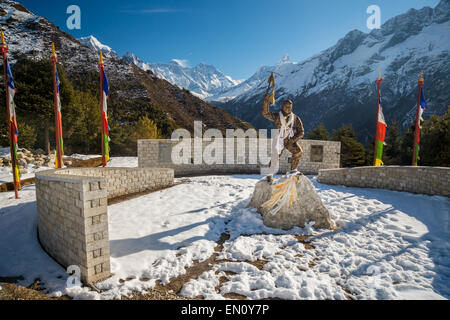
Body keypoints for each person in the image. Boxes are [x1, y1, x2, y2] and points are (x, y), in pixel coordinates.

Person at [261, 93, 304, 172]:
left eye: (289, 107)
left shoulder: (296, 118)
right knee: (275, 158)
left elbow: (301, 132)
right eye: (286, 106)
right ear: (282, 107)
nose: (287, 108)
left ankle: (293, 171)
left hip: (290, 140)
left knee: (298, 152)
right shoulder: (277, 116)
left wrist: (293, 140)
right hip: (279, 140)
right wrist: (266, 101)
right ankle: (269, 175)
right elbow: (265, 113)